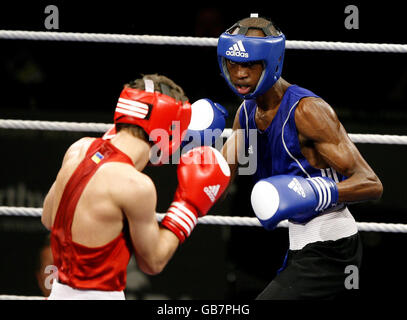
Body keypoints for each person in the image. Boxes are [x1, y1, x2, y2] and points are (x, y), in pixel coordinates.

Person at [217, 15, 383, 299]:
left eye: (249, 64)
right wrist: (198, 151)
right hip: (298, 245)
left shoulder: (307, 111)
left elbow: (371, 184)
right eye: (233, 63)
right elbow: (217, 182)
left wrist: (316, 191)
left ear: (271, 63)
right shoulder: (245, 113)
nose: (239, 73)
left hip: (333, 248)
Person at [41, 74, 231, 300]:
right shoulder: (136, 186)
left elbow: (48, 218)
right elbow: (154, 261)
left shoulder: (79, 149)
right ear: (168, 132)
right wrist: (188, 208)